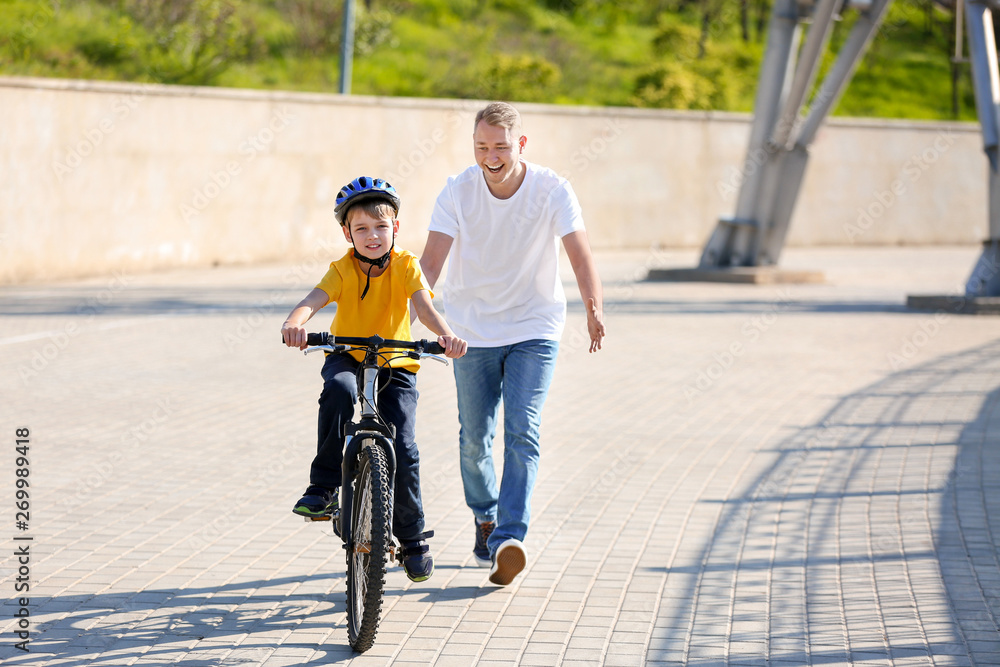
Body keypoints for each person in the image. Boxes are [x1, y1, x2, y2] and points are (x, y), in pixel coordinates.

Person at [420, 102, 606, 586]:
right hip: (469, 330)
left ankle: (509, 536)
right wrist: (412, 310)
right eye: (482, 147)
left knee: (523, 429)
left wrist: (593, 306)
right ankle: (485, 515)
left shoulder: (551, 189)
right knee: (474, 437)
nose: (491, 156)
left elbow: (580, 255)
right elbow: (431, 264)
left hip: (534, 326)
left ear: (521, 144)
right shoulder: (457, 191)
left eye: (500, 147)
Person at [281, 176, 467, 582]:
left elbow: (424, 305)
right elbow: (313, 300)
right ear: (347, 233)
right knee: (338, 390)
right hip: (347, 356)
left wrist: (445, 335)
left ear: (395, 227)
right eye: (361, 228)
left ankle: (413, 538)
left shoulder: (406, 265)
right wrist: (294, 322)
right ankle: (324, 487)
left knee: (403, 444)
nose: (372, 236)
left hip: (396, 362)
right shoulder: (342, 269)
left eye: (380, 227)